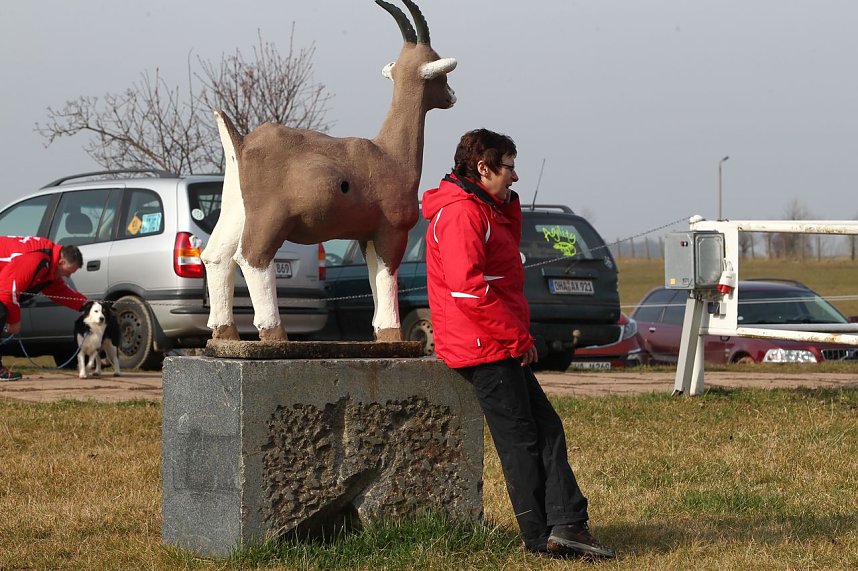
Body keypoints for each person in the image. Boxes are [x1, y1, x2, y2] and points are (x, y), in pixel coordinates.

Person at [421, 129, 616, 559]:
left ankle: (567, 524)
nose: (516, 176)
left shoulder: (485, 209)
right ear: (483, 168)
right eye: (508, 167)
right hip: (483, 346)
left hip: (497, 341)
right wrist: (515, 338)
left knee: (546, 429)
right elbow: (468, 291)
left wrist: (506, 206)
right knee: (521, 442)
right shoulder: (461, 215)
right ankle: (540, 538)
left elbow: (501, 268)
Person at [0, 236, 87, 380]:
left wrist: (86, 305)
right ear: (61, 262)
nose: (68, 275)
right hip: (4, 289)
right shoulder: (37, 259)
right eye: (69, 271)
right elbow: (7, 292)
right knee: (2, 310)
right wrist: (14, 320)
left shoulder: (49, 264)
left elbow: (57, 290)